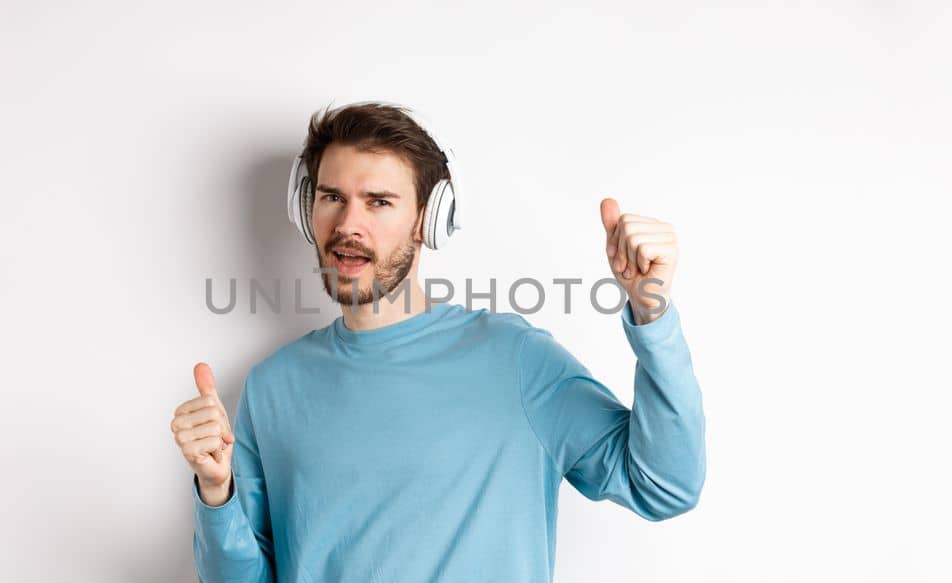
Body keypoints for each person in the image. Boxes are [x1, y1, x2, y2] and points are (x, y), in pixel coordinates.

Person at [172, 102, 705, 582]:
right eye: (333, 197)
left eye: (379, 202)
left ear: (431, 218)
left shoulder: (516, 361)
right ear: (306, 209)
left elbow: (665, 486)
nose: (348, 224)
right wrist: (217, 492)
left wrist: (650, 311)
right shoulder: (273, 386)